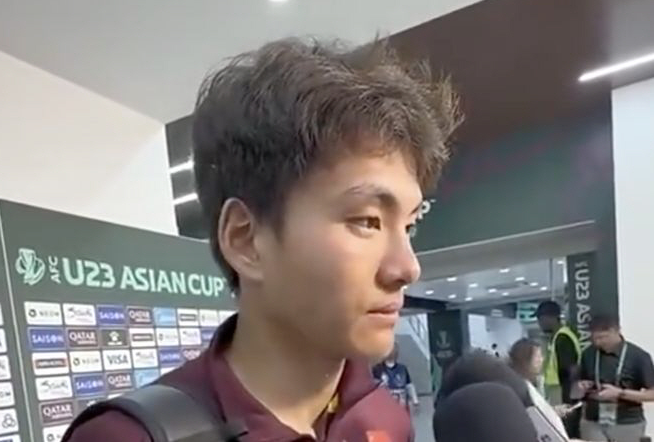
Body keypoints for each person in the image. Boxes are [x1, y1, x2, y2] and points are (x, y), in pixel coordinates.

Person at [63, 38, 460, 441]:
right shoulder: (125, 437)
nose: (407, 268)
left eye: (409, 226)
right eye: (367, 221)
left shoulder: (383, 417)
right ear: (245, 240)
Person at [576, 314, 654, 442]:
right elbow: (577, 388)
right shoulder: (588, 354)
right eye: (594, 338)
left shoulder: (639, 357)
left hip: (627, 424)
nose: (598, 342)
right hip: (593, 422)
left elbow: (652, 394)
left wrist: (620, 393)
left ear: (616, 331)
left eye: (602, 337)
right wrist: (581, 387)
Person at [537, 301, 582, 406]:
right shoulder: (558, 336)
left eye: (540, 319)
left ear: (551, 317)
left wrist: (567, 399)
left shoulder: (562, 338)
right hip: (559, 391)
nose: (539, 323)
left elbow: (570, 370)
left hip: (561, 392)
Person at [373, 344, 420, 413]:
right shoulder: (378, 369)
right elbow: (373, 387)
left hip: (401, 407)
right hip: (384, 408)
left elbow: (409, 385)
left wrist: (415, 400)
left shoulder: (402, 369)